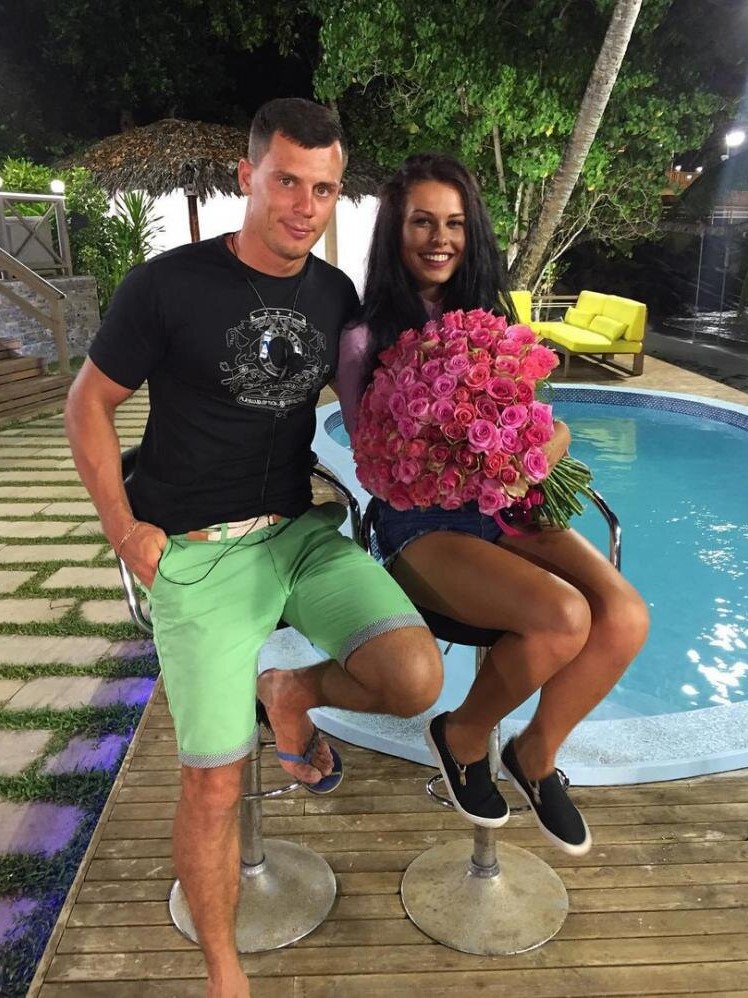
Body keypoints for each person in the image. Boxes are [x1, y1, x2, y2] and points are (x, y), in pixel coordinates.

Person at [65, 100, 442, 998]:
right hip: (196, 553)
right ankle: (224, 973)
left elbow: (369, 415)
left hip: (300, 534)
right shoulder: (164, 286)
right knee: (213, 785)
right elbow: (88, 404)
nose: (304, 206)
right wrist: (124, 529)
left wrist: (467, 437)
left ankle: (292, 691)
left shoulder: (335, 295)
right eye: (287, 182)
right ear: (249, 176)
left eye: (324, 189)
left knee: (414, 677)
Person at [338, 153, 649, 856]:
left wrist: (541, 448)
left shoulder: (492, 320)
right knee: (563, 617)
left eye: (454, 223)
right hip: (422, 522)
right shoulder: (362, 339)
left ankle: (535, 755)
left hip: (508, 508)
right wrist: (452, 454)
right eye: (421, 222)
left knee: (626, 617)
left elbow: (545, 424)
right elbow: (377, 464)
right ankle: (463, 734)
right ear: (394, 232)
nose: (439, 239)